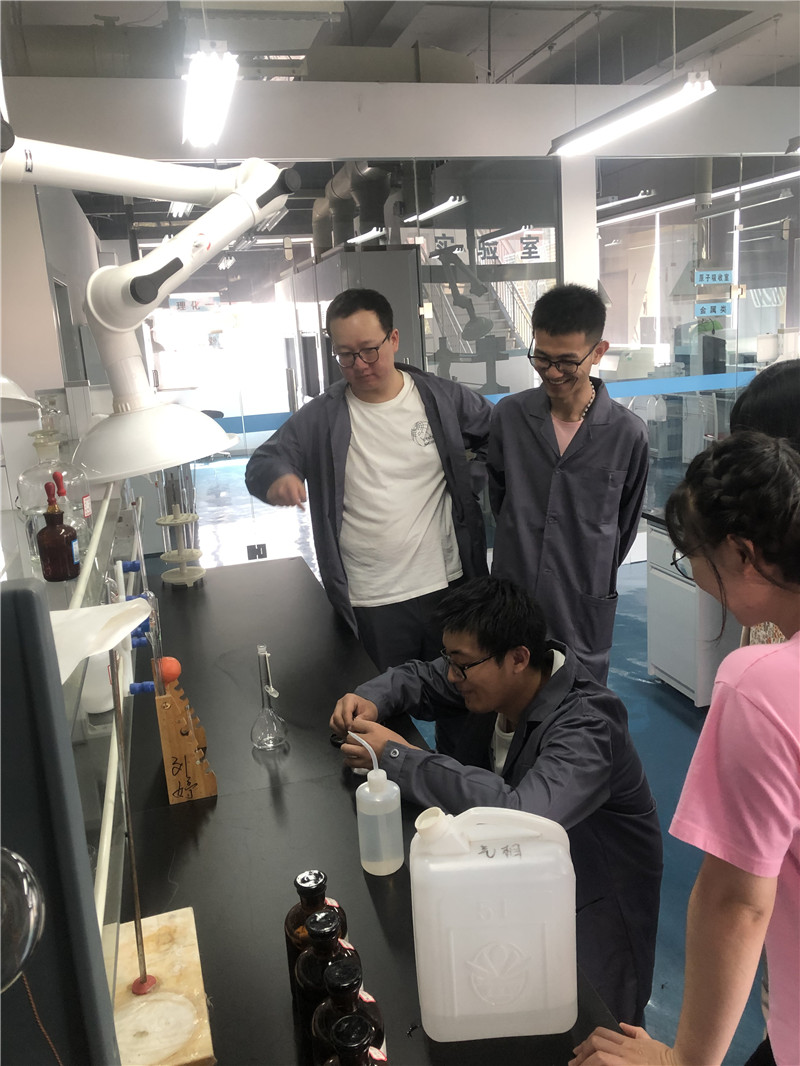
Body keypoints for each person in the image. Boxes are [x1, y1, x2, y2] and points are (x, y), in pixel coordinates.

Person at [330, 575, 663, 1026]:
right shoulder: (496, 677)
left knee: (596, 1031)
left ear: (518, 658)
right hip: (523, 887)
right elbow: (423, 677)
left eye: (462, 665)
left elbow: (523, 814)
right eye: (450, 659)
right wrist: (369, 699)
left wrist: (398, 758)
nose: (453, 675)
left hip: (594, 911)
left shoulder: (588, 725)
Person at [571, 432, 800, 1066]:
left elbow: (737, 900)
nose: (693, 574)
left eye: (690, 554)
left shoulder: (761, 687)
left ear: (742, 553)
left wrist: (683, 1060)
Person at [246, 287, 492, 755]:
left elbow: (494, 436)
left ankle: (467, 791)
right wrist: (278, 477)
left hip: (449, 589)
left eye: (368, 350)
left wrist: (471, 478)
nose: (359, 364)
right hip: (372, 601)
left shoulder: (440, 398)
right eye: (345, 355)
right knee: (377, 721)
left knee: (466, 707)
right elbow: (265, 460)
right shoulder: (322, 417)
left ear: (394, 339)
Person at [488, 283, 649, 684]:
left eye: (567, 362)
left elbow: (624, 526)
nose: (552, 372)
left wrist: (588, 562)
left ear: (599, 351)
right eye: (542, 358)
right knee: (508, 696)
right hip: (515, 592)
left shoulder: (627, 434)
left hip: (582, 600)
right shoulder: (509, 417)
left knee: (580, 702)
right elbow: (499, 497)